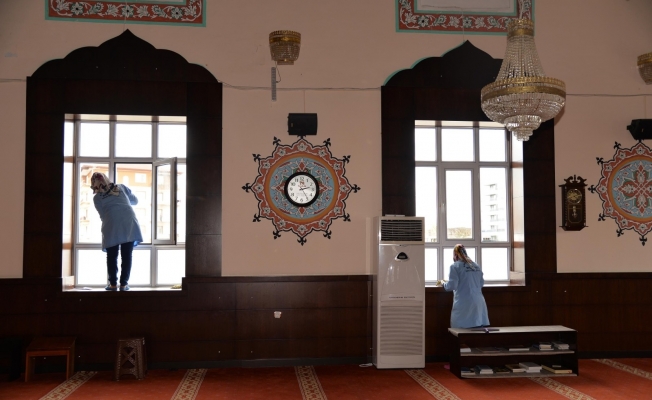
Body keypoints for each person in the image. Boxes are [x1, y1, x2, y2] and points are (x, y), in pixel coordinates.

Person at [91, 172, 143, 292]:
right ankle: (124, 285)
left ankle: (113, 285)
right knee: (127, 255)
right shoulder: (121, 187)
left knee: (112, 256)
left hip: (111, 224)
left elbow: (102, 215)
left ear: (94, 184)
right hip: (129, 222)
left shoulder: (97, 198)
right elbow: (135, 201)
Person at [437, 244, 489, 329]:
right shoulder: (476, 266)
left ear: (455, 254)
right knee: (477, 330)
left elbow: (452, 286)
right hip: (478, 302)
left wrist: (443, 283)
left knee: (461, 331)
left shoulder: (455, 266)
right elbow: (481, 283)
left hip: (464, 304)